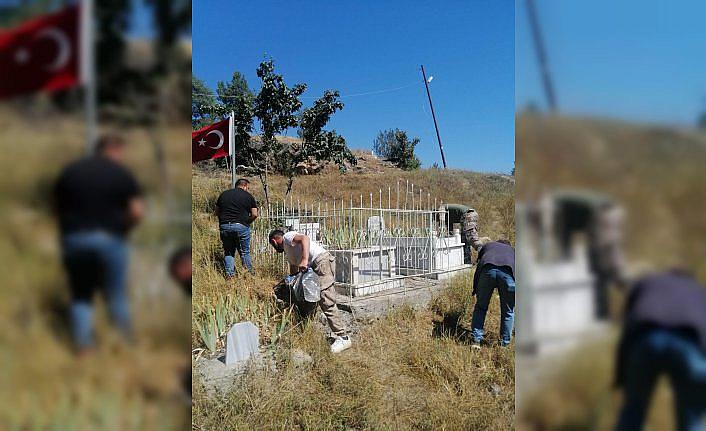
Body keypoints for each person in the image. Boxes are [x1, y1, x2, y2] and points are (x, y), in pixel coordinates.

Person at [53, 134, 144, 352]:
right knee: (116, 294)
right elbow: (136, 211)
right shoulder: (120, 173)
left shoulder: (71, 171)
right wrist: (125, 229)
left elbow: (56, 207)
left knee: (81, 295)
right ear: (114, 150)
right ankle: (126, 346)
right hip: (110, 239)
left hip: (74, 239)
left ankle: (83, 348)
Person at [614, 269, 706, 431]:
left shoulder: (645, 283)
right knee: (692, 421)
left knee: (632, 415)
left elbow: (628, 332)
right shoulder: (697, 290)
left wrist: (621, 376)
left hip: (646, 339)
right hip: (687, 343)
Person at [268, 229, 352, 353]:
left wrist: (304, 260)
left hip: (321, 262)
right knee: (309, 299)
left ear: (274, 241)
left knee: (325, 299)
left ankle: (343, 337)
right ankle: (308, 330)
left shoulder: (287, 237)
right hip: (315, 266)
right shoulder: (289, 251)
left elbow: (305, 239)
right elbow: (294, 270)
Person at [470, 239, 515, 348]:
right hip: (508, 274)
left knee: (481, 307)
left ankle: (476, 340)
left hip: (487, 271)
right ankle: (504, 344)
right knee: (508, 311)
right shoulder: (512, 251)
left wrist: (475, 288)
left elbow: (479, 266)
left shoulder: (488, 246)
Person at [215, 178, 258, 277]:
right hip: (241, 226)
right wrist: (247, 222)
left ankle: (230, 276)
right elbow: (255, 214)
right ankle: (249, 275)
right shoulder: (248, 196)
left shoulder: (223, 195)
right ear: (245, 186)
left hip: (225, 226)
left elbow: (216, 212)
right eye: (248, 187)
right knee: (244, 252)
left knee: (229, 252)